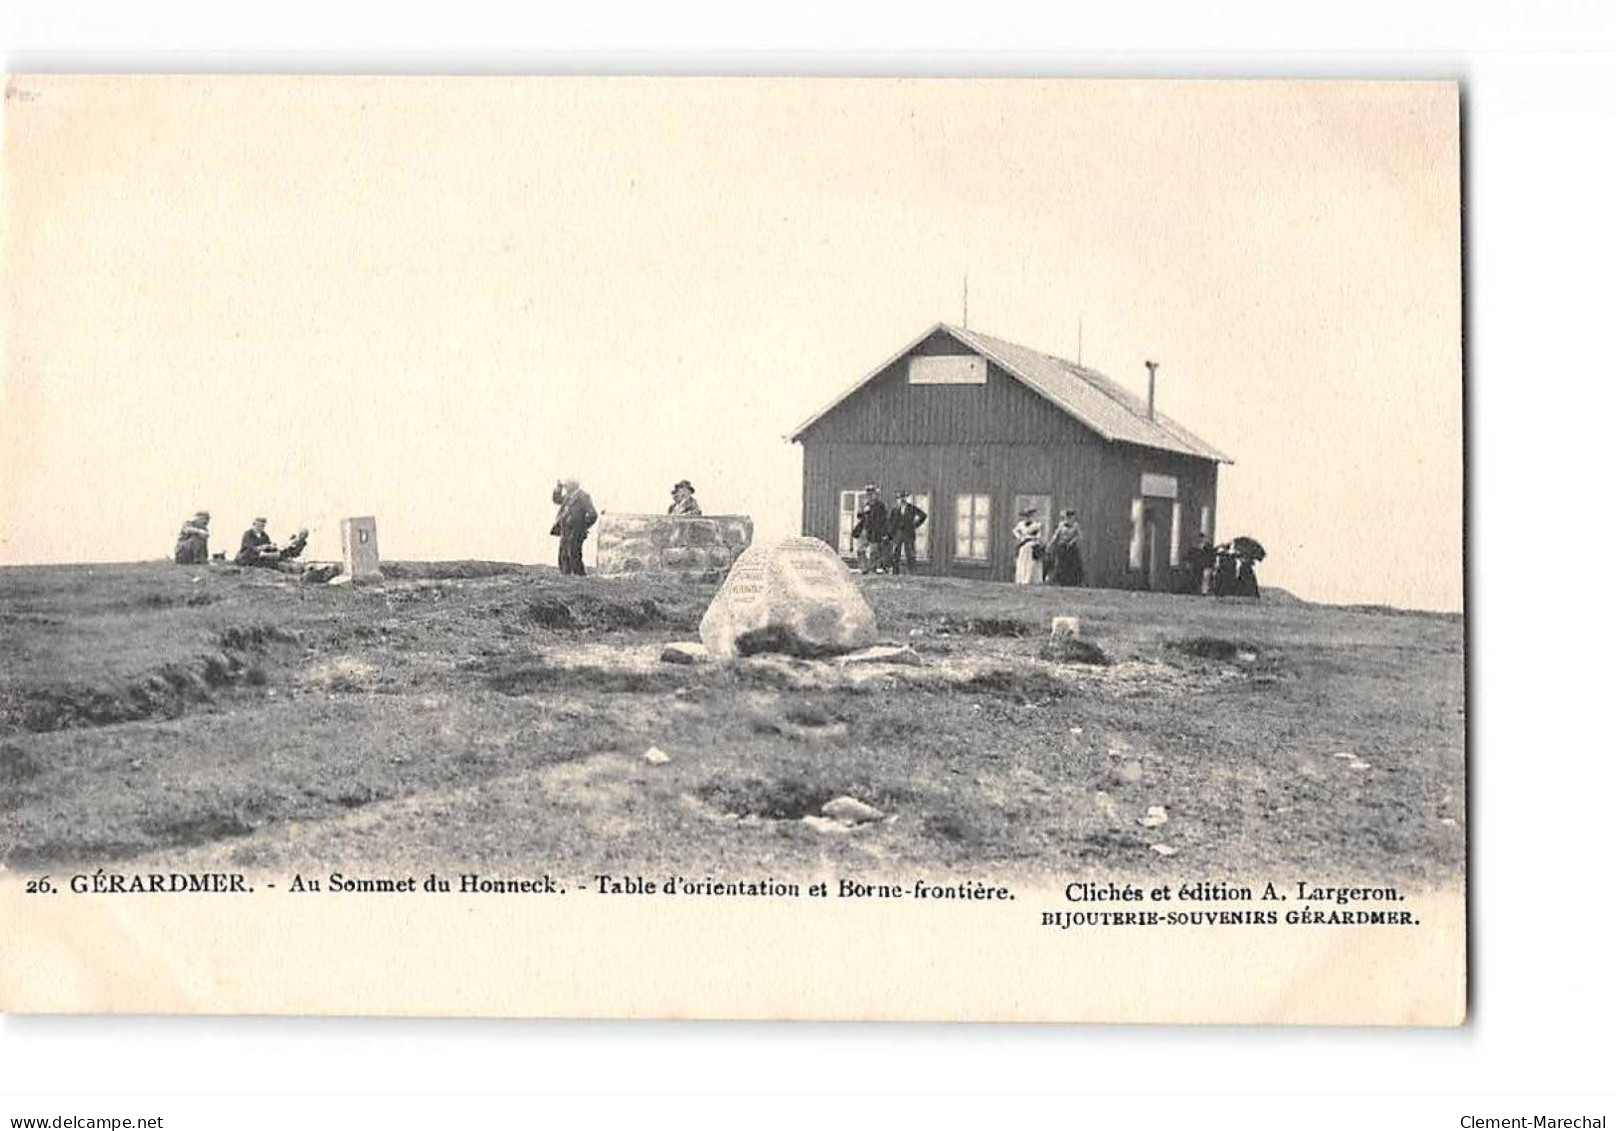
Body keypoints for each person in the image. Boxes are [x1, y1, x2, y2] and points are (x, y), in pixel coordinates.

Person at [551, 477, 598, 576]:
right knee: (563, 554)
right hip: (565, 530)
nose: (565, 486)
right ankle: (565, 576)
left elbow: (593, 515)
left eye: (567, 484)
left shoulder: (583, 496)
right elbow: (556, 500)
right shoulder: (569, 496)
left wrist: (582, 527)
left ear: (573, 484)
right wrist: (558, 489)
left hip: (576, 531)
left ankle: (579, 576)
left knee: (574, 554)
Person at [886, 491, 927, 575]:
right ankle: (895, 572)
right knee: (895, 554)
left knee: (910, 553)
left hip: (908, 534)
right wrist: (890, 534)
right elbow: (890, 522)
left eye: (903, 498)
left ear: (906, 498)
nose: (901, 500)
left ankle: (911, 572)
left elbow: (923, 515)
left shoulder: (911, 508)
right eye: (899, 498)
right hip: (897, 534)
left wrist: (915, 525)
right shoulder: (895, 510)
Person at [850, 485, 888, 575]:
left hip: (875, 531)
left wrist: (883, 532)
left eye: (872, 494)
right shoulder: (866, 504)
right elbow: (859, 516)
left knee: (873, 551)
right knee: (860, 549)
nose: (870, 496)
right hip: (865, 529)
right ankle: (863, 568)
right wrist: (863, 511)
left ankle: (872, 569)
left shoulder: (881, 506)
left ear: (876, 494)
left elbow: (883, 520)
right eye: (868, 494)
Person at [1045, 509, 1086, 587]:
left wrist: (1072, 541)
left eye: (1071, 517)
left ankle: (1074, 582)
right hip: (1062, 547)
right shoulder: (1061, 526)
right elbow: (1056, 536)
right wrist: (1050, 544)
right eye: (1068, 517)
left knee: (1074, 565)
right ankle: (1059, 581)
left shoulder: (1075, 525)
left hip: (1071, 548)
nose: (1069, 519)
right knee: (1060, 564)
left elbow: (1080, 536)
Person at [1013, 508, 1044, 585]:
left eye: (1029, 516)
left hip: (1032, 545)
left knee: (1032, 563)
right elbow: (1015, 531)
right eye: (1026, 516)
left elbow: (1039, 536)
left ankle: (1030, 579)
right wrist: (1020, 537)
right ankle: (1021, 579)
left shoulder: (1036, 525)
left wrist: (1032, 538)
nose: (1028, 518)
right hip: (1023, 545)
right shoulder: (1020, 524)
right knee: (1022, 562)